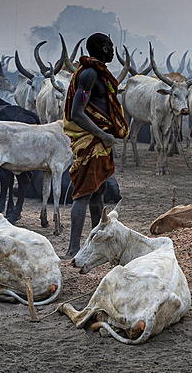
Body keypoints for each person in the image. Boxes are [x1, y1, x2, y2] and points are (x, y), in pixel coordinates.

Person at [62, 33, 129, 259]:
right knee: (83, 193)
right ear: (101, 48)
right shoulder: (89, 74)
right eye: (109, 46)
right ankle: (73, 248)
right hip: (92, 141)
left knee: (99, 191)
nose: (112, 50)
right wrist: (102, 133)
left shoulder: (98, 73)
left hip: (101, 141)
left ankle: (95, 241)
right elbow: (76, 113)